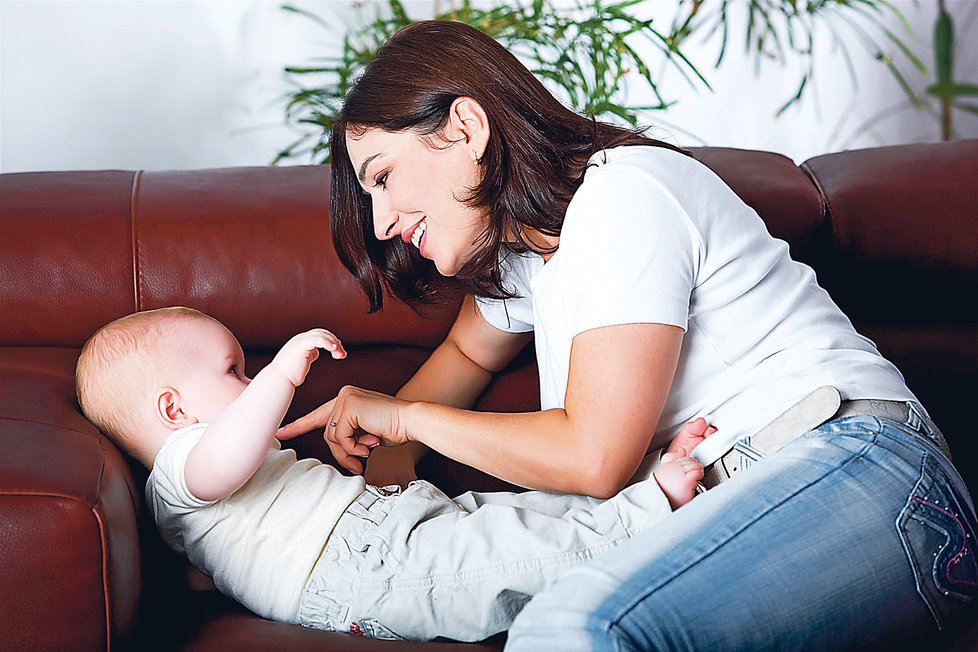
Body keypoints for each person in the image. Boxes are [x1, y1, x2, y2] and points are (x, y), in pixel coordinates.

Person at [277, 19, 978, 650]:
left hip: (866, 473)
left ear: (466, 128)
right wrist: (380, 472)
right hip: (740, 498)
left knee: (572, 627)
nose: (382, 222)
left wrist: (406, 417)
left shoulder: (622, 196)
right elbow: (464, 352)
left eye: (383, 176)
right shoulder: (526, 259)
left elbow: (594, 455)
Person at [74, 306, 713, 642]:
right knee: (512, 562)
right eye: (234, 370)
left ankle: (640, 488)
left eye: (251, 370)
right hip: (357, 572)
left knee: (513, 518)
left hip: (382, 528)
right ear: (172, 410)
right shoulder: (183, 465)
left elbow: (202, 570)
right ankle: (654, 508)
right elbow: (227, 457)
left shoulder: (191, 500)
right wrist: (282, 372)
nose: (250, 382)